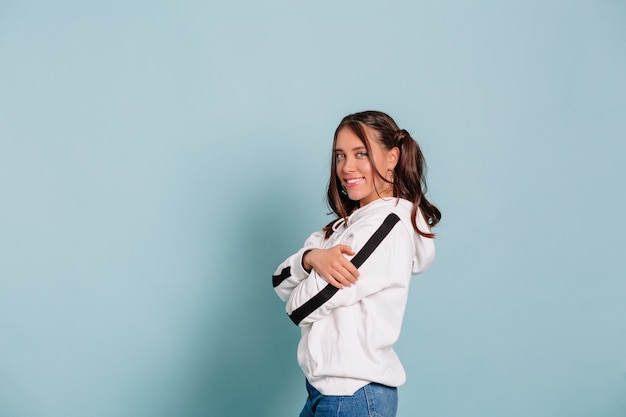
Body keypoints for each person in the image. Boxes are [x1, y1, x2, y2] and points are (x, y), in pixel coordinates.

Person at [272, 110, 441, 417]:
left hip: (353, 396)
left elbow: (300, 307)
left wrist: (305, 277)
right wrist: (312, 259)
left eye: (360, 153)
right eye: (340, 156)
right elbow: (278, 280)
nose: (346, 167)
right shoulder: (341, 228)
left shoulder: (385, 227)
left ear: (392, 157)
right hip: (323, 392)